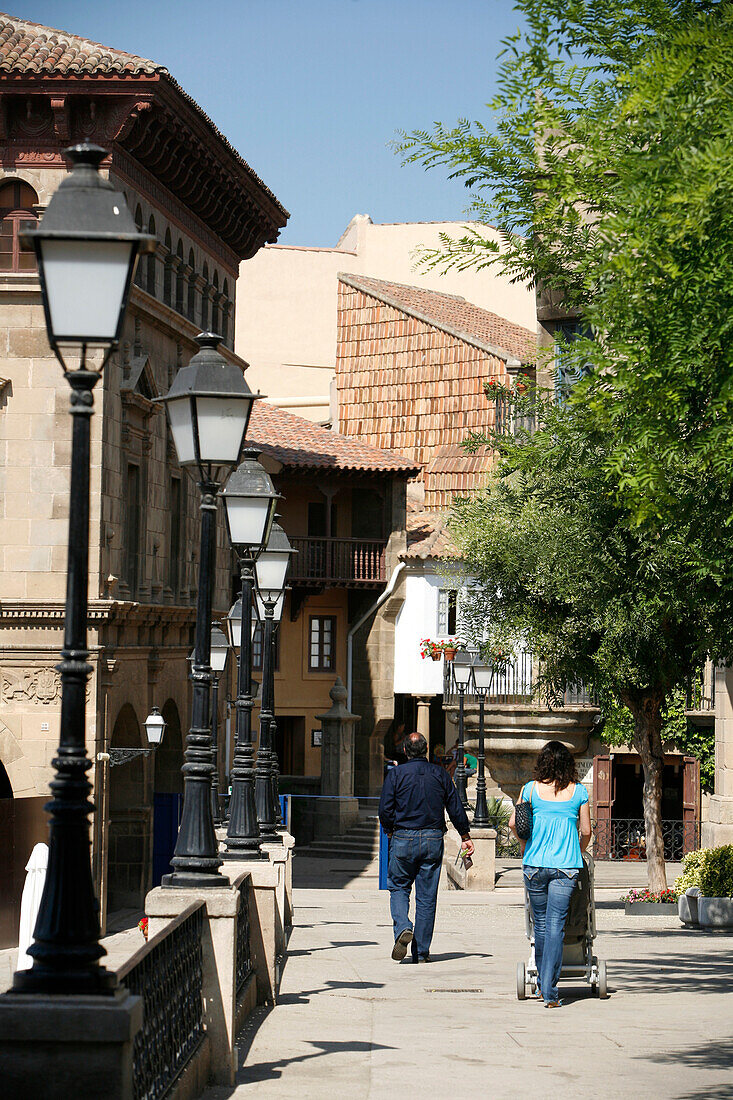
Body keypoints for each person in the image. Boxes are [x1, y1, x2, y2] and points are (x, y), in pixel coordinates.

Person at [509, 740, 592, 1008]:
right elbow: (587, 831)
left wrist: (526, 849)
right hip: (565, 868)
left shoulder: (530, 790)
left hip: (535, 866)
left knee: (541, 926)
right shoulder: (579, 792)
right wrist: (576, 853)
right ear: (568, 764)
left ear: (543, 762)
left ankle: (544, 987)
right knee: (556, 926)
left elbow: (515, 824)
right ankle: (550, 990)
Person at [379, 732, 474, 963]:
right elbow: (455, 806)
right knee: (427, 897)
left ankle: (403, 926)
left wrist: (390, 829)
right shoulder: (440, 774)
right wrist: (465, 835)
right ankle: (420, 952)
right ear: (427, 749)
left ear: (404, 751)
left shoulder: (396, 775)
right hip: (432, 838)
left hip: (403, 836)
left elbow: (385, 809)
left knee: (399, 888)